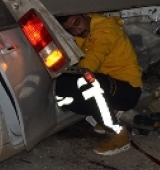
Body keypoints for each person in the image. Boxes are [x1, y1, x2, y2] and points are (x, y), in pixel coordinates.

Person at [55, 13, 143, 156]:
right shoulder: (83, 34)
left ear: (85, 15)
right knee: (60, 87)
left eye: (77, 23)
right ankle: (106, 114)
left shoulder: (105, 29)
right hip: (109, 86)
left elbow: (90, 65)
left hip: (128, 89)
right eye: (70, 29)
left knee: (88, 82)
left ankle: (120, 135)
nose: (77, 31)